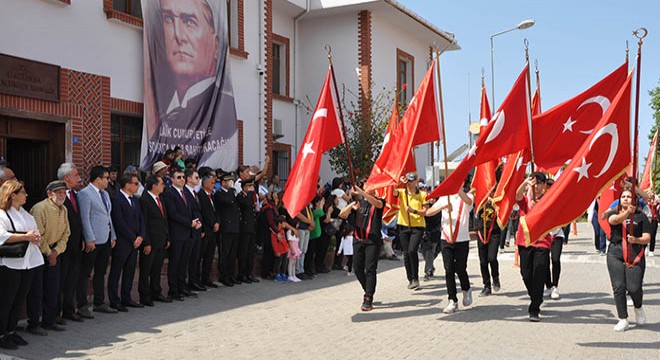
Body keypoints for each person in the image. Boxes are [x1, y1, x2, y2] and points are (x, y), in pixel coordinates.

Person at [514, 172, 564, 322]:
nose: (536, 187)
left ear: (544, 186)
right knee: (526, 273)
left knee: (539, 273)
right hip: (525, 241)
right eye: (534, 183)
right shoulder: (525, 199)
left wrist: (540, 208)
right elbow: (517, 196)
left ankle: (534, 307)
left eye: (539, 184)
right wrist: (525, 183)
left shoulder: (548, 200)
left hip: (542, 242)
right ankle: (535, 296)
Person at [0, 180, 43, 349]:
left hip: (28, 262)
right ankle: (1, 334)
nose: (26, 195)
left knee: (19, 299)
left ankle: (11, 330)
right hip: (10, 264)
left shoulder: (25, 213)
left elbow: (36, 230)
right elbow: (2, 236)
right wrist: (26, 236)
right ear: (13, 195)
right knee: (6, 300)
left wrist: (35, 236)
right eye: (23, 192)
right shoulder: (2, 214)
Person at [27, 180, 70, 335]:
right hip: (39, 252)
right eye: (58, 192)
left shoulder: (64, 209)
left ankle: (49, 321)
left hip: (54, 252)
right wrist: (48, 252)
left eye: (64, 192)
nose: (62, 195)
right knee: (37, 290)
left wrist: (56, 252)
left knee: (53, 289)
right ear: (49, 194)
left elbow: (66, 233)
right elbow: (38, 234)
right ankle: (33, 323)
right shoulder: (40, 209)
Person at [606, 188, 650, 331]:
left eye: (629, 196)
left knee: (634, 288)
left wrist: (636, 239)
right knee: (618, 286)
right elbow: (614, 221)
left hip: (635, 253)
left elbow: (647, 238)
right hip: (615, 252)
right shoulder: (614, 212)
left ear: (634, 200)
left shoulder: (641, 216)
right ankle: (623, 318)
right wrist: (626, 213)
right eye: (623, 196)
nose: (625, 198)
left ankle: (638, 307)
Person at [427, 186, 474, 314]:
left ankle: (466, 289)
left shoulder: (468, 196)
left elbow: (469, 203)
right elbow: (429, 212)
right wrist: (442, 207)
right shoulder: (444, 198)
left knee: (460, 268)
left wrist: (458, 190)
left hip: (462, 239)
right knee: (449, 270)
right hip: (446, 239)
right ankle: (452, 300)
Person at [78, 166, 118, 315]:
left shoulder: (106, 194)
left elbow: (109, 216)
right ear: (98, 179)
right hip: (93, 240)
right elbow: (85, 218)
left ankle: (99, 302)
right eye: (106, 178)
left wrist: (112, 235)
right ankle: (82, 305)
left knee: (101, 272)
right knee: (86, 272)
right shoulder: (85, 194)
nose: (109, 180)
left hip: (106, 238)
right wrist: (89, 238)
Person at [339, 185, 384, 312]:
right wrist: (351, 205)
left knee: (370, 269)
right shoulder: (358, 203)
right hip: (358, 239)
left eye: (371, 187)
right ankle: (367, 288)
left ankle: (368, 297)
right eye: (366, 186)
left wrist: (361, 192)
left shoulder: (378, 202)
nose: (368, 188)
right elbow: (342, 215)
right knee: (357, 268)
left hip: (372, 240)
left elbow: (378, 204)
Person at [108, 174, 146, 312]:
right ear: (127, 184)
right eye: (136, 183)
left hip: (135, 242)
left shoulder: (136, 200)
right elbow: (119, 222)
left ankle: (127, 297)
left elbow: (141, 219)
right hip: (123, 242)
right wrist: (132, 238)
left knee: (130, 271)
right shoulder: (116, 199)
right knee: (116, 271)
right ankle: (114, 300)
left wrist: (141, 236)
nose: (138, 186)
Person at [162, 169, 201, 300]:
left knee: (184, 262)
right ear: (172, 180)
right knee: (175, 263)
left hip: (188, 233)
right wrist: (189, 223)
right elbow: (173, 214)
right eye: (179, 177)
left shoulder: (185, 193)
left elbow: (193, 209)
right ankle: (173, 290)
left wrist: (196, 221)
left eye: (183, 177)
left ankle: (182, 287)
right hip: (177, 234)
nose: (182, 179)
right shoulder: (169, 193)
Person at [57, 163, 86, 322]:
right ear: (66, 177)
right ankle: (55, 313)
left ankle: (69, 310)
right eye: (76, 175)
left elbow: (78, 220)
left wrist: (82, 238)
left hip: (75, 244)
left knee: (72, 279)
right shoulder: (56, 195)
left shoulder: (75, 194)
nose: (79, 178)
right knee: (60, 280)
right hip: (62, 246)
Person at [139, 176, 172, 306]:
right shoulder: (145, 200)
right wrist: (146, 242)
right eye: (161, 184)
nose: (163, 186)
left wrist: (167, 237)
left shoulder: (161, 199)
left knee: (157, 268)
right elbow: (144, 223)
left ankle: (156, 292)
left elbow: (165, 220)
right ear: (154, 186)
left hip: (161, 240)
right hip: (150, 241)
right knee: (146, 269)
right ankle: (145, 295)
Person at [394, 172, 428, 290]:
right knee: (406, 253)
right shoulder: (402, 192)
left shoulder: (422, 194)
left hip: (417, 226)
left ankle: (415, 277)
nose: (409, 183)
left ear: (415, 181)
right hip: (403, 225)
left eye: (411, 181)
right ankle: (410, 278)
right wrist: (399, 182)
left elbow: (425, 211)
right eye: (407, 181)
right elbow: (393, 190)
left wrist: (414, 211)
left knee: (412, 250)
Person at [215, 171, 240, 287]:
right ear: (223, 182)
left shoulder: (232, 193)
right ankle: (224, 275)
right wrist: (230, 190)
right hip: (225, 227)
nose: (231, 183)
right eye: (229, 181)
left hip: (234, 226)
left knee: (232, 253)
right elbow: (228, 202)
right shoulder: (219, 194)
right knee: (225, 252)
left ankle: (231, 274)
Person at [183, 169, 206, 292]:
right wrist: (194, 222)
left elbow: (198, 210)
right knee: (188, 258)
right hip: (190, 229)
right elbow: (188, 210)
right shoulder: (185, 192)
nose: (198, 180)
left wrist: (200, 224)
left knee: (196, 257)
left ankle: (194, 280)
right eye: (196, 177)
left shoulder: (195, 193)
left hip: (197, 229)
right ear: (189, 179)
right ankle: (187, 282)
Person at [475, 196, 501, 296]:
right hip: (481, 232)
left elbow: (504, 212)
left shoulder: (498, 199)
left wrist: (493, 202)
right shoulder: (479, 199)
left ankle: (495, 277)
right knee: (483, 261)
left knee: (492, 258)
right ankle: (487, 286)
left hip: (494, 233)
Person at [197, 173, 219, 287]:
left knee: (209, 256)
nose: (214, 185)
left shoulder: (212, 195)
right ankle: (197, 279)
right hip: (205, 229)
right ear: (205, 183)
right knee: (200, 255)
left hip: (213, 231)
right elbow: (204, 213)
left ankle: (206, 278)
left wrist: (217, 222)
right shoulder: (200, 195)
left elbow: (215, 211)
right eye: (212, 183)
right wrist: (212, 223)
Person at [236, 178, 259, 284]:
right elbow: (246, 205)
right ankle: (242, 274)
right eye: (250, 187)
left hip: (251, 228)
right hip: (244, 228)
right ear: (244, 187)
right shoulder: (241, 197)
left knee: (251, 252)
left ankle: (249, 273)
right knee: (244, 252)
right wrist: (250, 194)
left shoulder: (250, 197)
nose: (252, 189)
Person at [422, 199, 442, 281]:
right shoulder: (424, 208)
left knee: (431, 251)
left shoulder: (438, 208)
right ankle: (430, 266)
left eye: (433, 199)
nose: (431, 200)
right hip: (424, 233)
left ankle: (428, 271)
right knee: (425, 253)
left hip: (434, 233)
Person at [270, 216, 290, 283]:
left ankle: (283, 273)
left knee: (284, 263)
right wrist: (276, 251)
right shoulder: (274, 232)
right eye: (284, 223)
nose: (285, 224)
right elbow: (274, 243)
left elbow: (284, 240)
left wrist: (287, 247)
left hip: (285, 250)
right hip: (279, 250)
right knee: (278, 263)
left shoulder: (282, 230)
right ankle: (277, 274)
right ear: (279, 223)